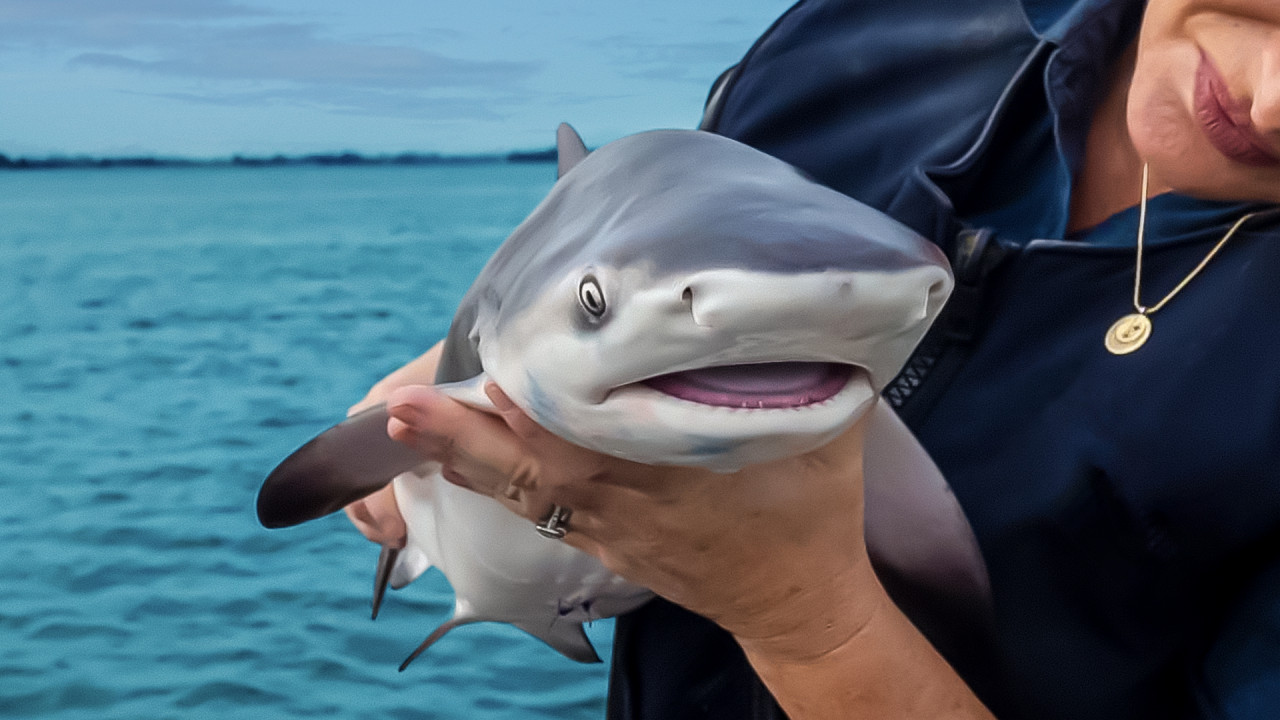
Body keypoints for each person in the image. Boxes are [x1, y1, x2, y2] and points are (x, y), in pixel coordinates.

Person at [343, 0, 1280, 717]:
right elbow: (654, 244)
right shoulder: (857, 34)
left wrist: (806, 622)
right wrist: (505, 359)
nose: (1272, 102)